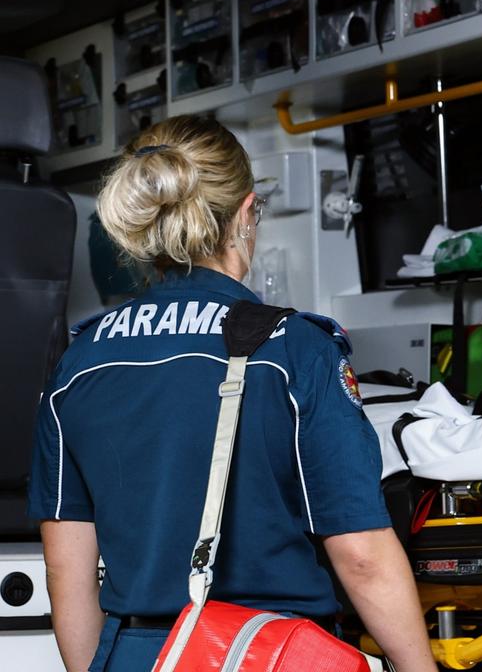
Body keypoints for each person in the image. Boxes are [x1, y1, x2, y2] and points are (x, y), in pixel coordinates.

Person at [27, 115, 439, 672]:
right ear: (247, 213)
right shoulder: (294, 347)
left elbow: (66, 570)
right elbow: (360, 554)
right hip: (265, 652)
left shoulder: (79, 362)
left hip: (137, 653)